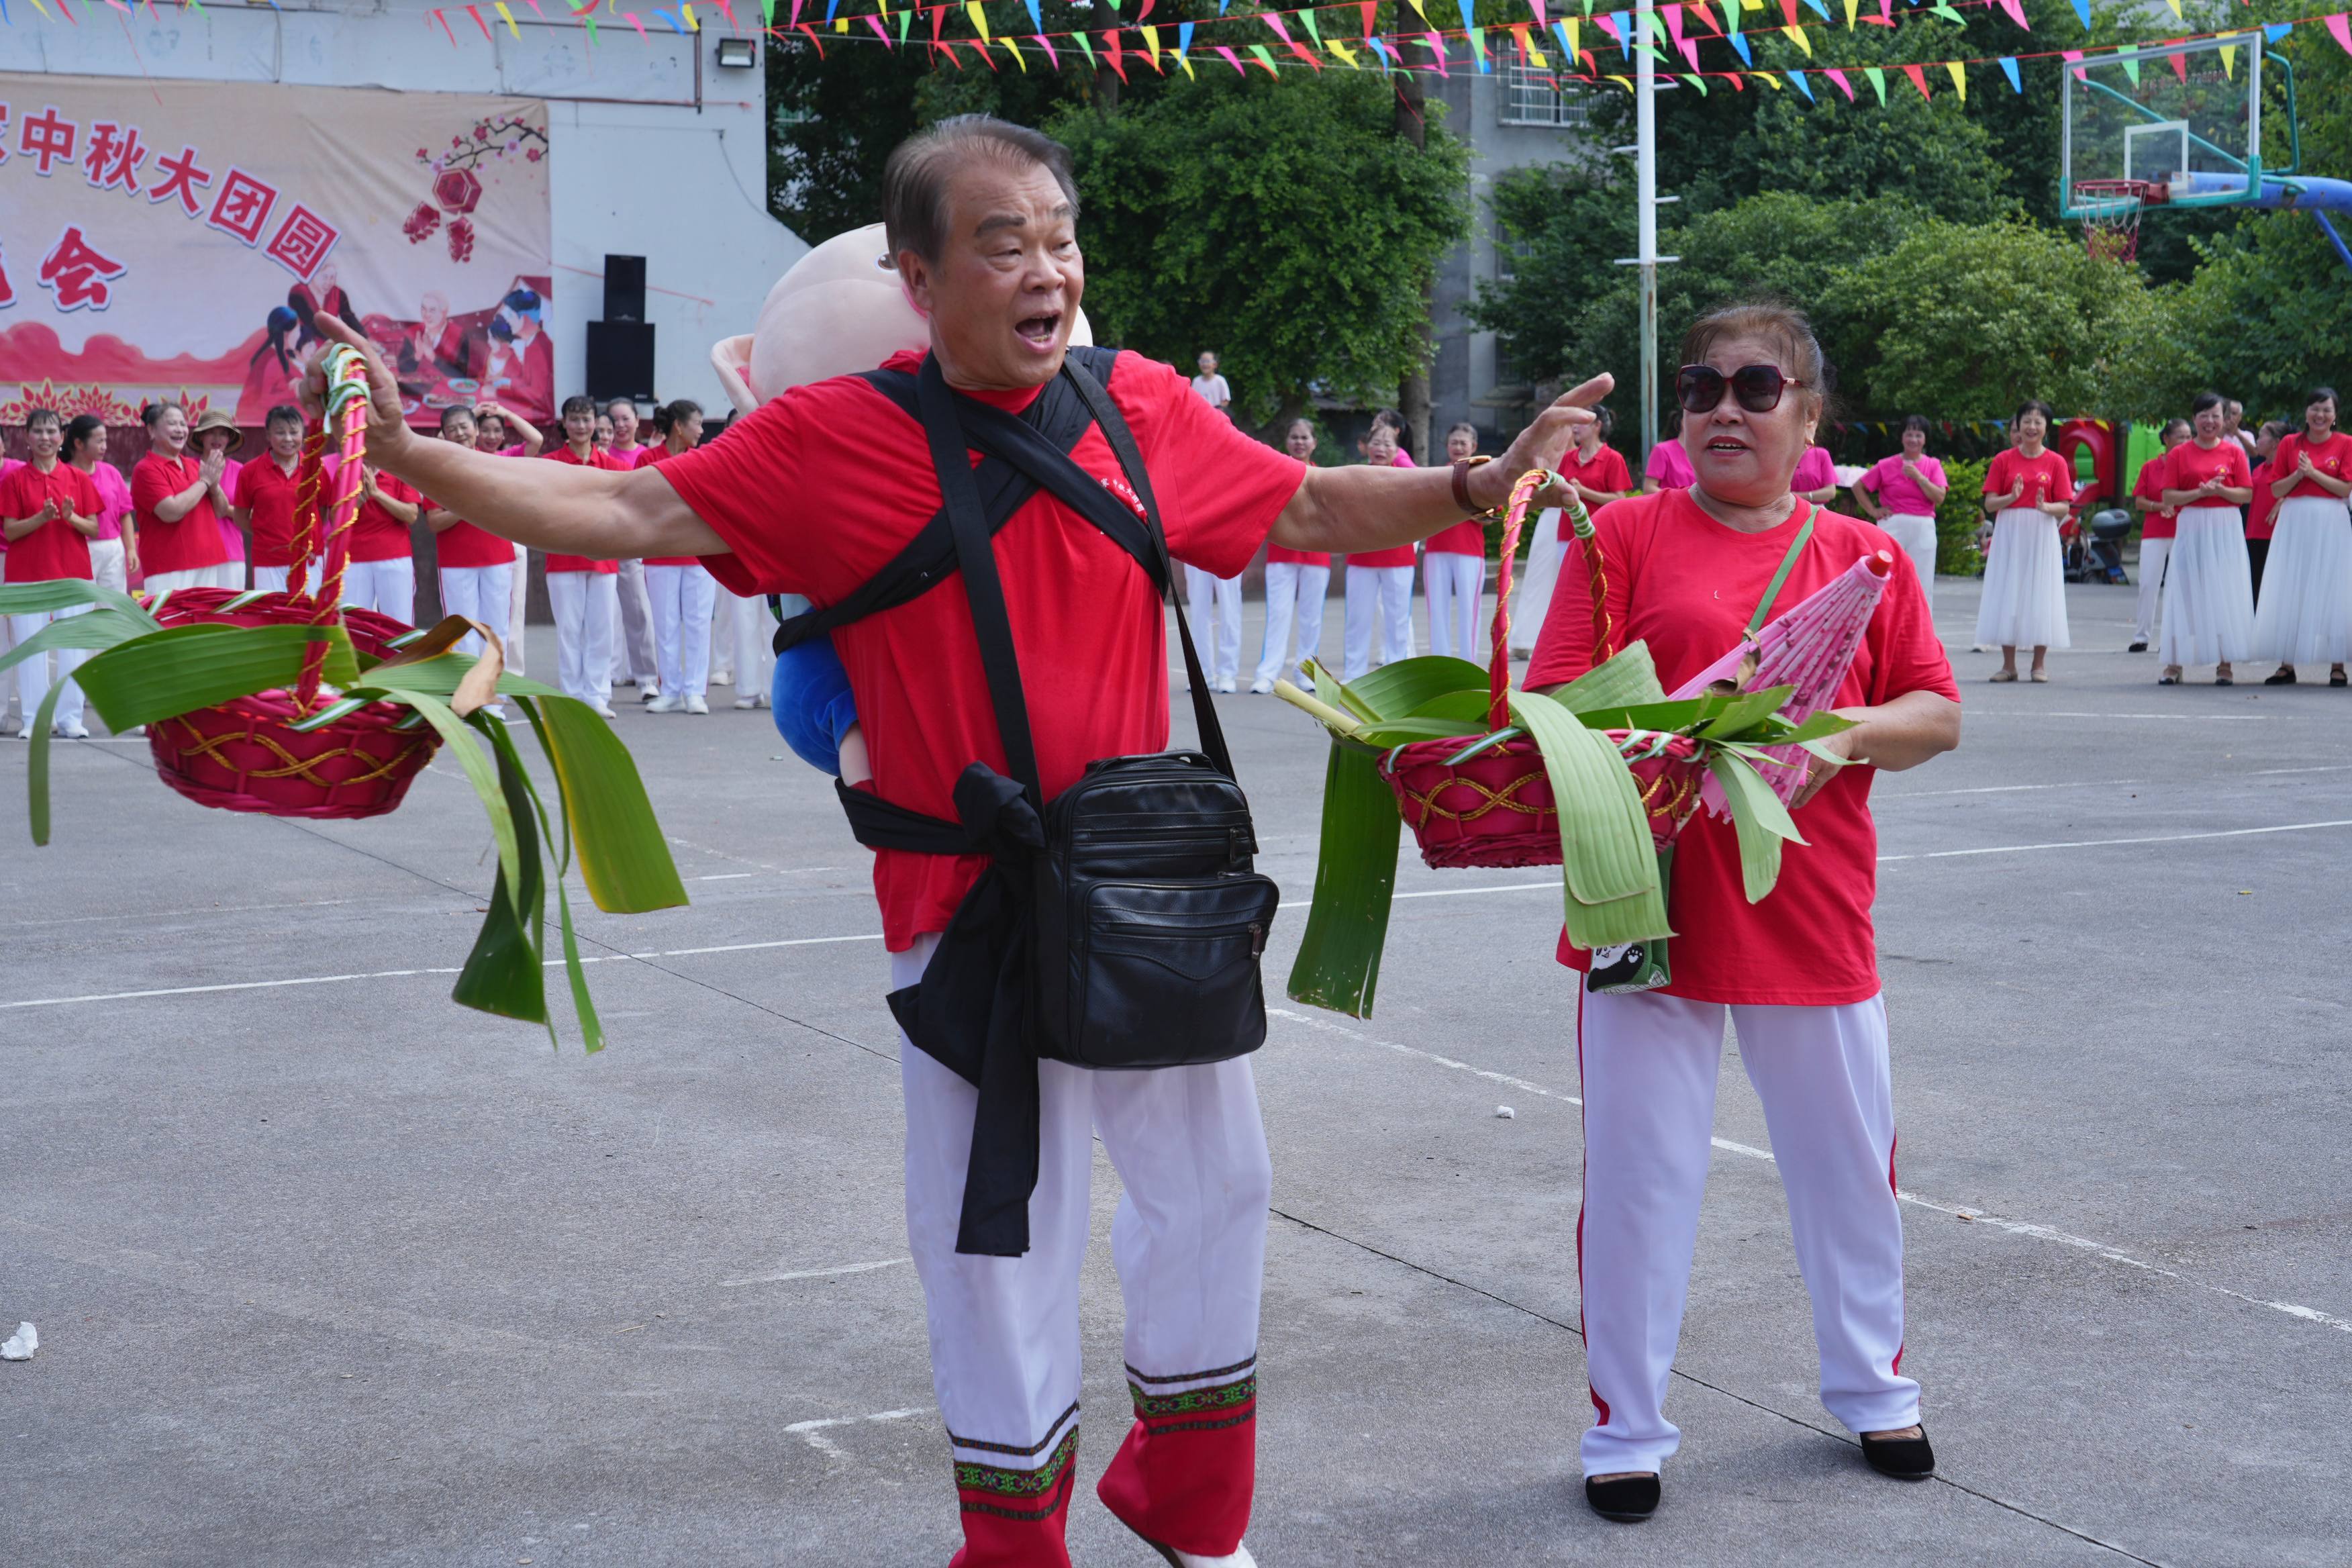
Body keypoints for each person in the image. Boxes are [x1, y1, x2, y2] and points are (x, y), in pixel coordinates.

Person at [305, 112, 1608, 1568]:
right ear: (919, 280)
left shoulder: (1144, 409)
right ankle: (1015, 1543)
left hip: (1146, 890)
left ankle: (1193, 1513)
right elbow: (624, 503)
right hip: (963, 898)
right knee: (1000, 1231)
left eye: (1057, 236)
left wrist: (1479, 486)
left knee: (1220, 1189)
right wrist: (411, 449)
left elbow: (1304, 498)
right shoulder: (832, 436)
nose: (1044, 264)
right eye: (1004, 242)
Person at [1526, 301, 1959, 1524]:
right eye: (1700, 387)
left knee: (1843, 1175)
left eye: (1755, 387)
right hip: (1639, 902)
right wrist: (1645, 739)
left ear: (1807, 417)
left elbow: (1934, 712)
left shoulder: (1860, 559)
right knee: (1636, 1179)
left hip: (1808, 907)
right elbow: (1552, 702)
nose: (1723, 406)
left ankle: (1874, 1392)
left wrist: (1842, 736)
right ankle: (1624, 1428)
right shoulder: (1617, 536)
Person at [1, 407, 103, 740]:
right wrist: (41, 518)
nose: (45, 438)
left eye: (51, 432)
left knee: (73, 648)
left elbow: (94, 527)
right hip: (26, 576)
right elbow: (11, 532)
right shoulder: (15, 480)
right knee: (32, 649)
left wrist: (70, 519)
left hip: (72, 573)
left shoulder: (78, 478)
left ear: (61, 437)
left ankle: (71, 718)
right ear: (27, 438)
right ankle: (34, 719)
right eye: (38, 432)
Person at [1507, 406, 1632, 658]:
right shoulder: (1569, 459)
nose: (1576, 428)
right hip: (1567, 535)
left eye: (1583, 423)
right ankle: (1567, 648)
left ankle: (1603, 645)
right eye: (1575, 424)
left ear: (1598, 426)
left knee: (1600, 592)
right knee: (1568, 593)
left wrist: (1583, 492)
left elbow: (1619, 499)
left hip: (1601, 535)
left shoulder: (1612, 459)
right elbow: (1555, 493)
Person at [2157, 391, 2257, 687]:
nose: (2210, 421)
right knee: (2184, 591)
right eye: (2204, 415)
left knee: (2225, 591)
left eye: (2216, 416)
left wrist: (2221, 491)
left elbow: (2247, 494)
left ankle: (2225, 664)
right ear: (2194, 418)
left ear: (2225, 420)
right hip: (2191, 523)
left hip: (2225, 526)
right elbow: (2169, 497)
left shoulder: (2234, 452)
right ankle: (2174, 662)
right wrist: (2199, 493)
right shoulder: (2179, 454)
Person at [2253, 389, 2352, 687]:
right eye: (2314, 409)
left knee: (2332, 586)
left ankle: (2337, 664)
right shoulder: (2289, 444)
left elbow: (2345, 489)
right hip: (2294, 521)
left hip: (2331, 520)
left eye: (2326, 410)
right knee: (2290, 584)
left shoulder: (2346, 443)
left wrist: (2312, 473)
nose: (2319, 415)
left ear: (2335, 416)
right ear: (2306, 412)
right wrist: (2299, 475)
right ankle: (2287, 663)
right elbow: (2276, 490)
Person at [1975, 401, 2074, 682]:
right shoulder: (2003, 460)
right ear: (2018, 425)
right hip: (2009, 531)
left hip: (2041, 531)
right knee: (2010, 591)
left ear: (2046, 428)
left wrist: (2045, 508)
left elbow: (2065, 506)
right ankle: (2009, 665)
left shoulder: (2056, 462)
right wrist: (2012, 498)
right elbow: (1991, 502)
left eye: (2038, 422)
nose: (2032, 427)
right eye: (2026, 421)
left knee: (2042, 592)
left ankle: (2038, 664)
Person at [540, 395, 625, 714]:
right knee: (569, 630)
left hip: (604, 557)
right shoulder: (550, 464)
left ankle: (597, 694)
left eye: (586, 419)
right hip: (562, 557)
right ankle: (573, 695)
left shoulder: (615, 467)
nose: (580, 426)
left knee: (602, 628)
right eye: (574, 420)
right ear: (564, 423)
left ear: (597, 424)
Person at [636, 399, 717, 714]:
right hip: (660, 554)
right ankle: (670, 689)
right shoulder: (647, 459)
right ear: (679, 426)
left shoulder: (704, 459)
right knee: (665, 624)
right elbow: (641, 505)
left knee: (698, 623)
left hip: (699, 556)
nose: (701, 430)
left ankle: (695, 691)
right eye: (697, 423)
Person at [422, 407, 518, 663]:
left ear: (476, 429)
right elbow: (435, 523)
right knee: (462, 631)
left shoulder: (494, 465)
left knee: (497, 627)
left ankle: (494, 695)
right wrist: (466, 507)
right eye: (453, 429)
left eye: (465, 427)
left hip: (497, 557)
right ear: (444, 434)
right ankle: (468, 693)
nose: (460, 433)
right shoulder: (434, 471)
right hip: (456, 563)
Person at [1248, 418, 1332, 693]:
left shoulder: (1325, 477)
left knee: (1311, 617)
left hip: (1317, 555)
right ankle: (1268, 673)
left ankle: (1306, 672)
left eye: (1305, 437)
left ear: (1314, 443)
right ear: (1287, 441)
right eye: (1295, 437)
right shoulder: (1277, 472)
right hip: (1282, 553)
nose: (1299, 442)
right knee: (1279, 615)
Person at [1342, 415, 1419, 681]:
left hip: (1399, 558)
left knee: (1397, 622)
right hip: (1361, 558)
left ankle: (1398, 677)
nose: (1381, 448)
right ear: (1366, 446)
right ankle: (1353, 677)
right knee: (1357, 620)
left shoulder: (1407, 479)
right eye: (1376, 442)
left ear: (1397, 450)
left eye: (1388, 443)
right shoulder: (1354, 475)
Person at [1851, 416, 1949, 625]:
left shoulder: (1932, 465)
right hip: (1892, 525)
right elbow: (1858, 487)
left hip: (1923, 525)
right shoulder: (1886, 465)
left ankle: (1921, 628)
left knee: (1922, 581)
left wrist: (1919, 477)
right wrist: (1873, 510)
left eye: (1918, 435)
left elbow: (1939, 497)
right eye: (1909, 434)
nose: (1913, 439)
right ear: (1902, 437)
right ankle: (1881, 623)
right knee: (1887, 577)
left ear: (1925, 439)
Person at [131, 401, 236, 592]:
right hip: (169, 565)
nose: (180, 429)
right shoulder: (146, 469)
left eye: (182, 424)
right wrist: (204, 482)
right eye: (172, 424)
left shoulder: (195, 466)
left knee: (204, 622)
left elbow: (221, 511)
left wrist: (213, 486)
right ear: (152, 431)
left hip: (208, 560)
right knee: (170, 622)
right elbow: (171, 512)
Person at [474, 401, 544, 678]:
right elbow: (445, 438)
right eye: (485, 430)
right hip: (477, 545)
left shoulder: (511, 457)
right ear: (476, 433)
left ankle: (509, 672)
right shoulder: (469, 456)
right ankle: (477, 667)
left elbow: (536, 440)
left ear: (503, 436)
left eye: (496, 431)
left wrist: (506, 414)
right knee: (478, 613)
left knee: (512, 611)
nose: (491, 436)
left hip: (511, 542)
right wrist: (475, 414)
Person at [603, 398, 663, 699]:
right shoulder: (601, 454)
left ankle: (647, 677)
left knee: (639, 610)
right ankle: (610, 673)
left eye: (626, 419)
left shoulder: (645, 456)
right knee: (606, 613)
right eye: (614, 421)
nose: (620, 426)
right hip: (602, 542)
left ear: (638, 421)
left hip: (634, 543)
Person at [1421, 422, 1490, 663]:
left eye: (1463, 443)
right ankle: (1440, 666)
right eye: (1454, 443)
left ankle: (1469, 665)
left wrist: (1464, 508)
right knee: (1437, 612)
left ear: (1474, 447)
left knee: (1468, 612)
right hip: (1436, 549)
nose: (1458, 447)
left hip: (1469, 551)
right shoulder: (1437, 475)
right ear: (1447, 446)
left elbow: (1492, 516)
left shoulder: (1483, 475)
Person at [2126, 418, 2191, 654]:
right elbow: (2140, 501)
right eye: (2180, 436)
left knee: (2177, 586)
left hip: (2181, 531)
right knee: (2148, 583)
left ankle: (2172, 636)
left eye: (2188, 437)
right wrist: (2159, 506)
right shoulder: (2150, 467)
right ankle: (2142, 636)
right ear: (2166, 439)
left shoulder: (2190, 466)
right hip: (2154, 531)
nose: (2185, 441)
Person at [234, 405, 308, 593]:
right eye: (280, 433)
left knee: (307, 617)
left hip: (309, 560)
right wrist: (266, 531)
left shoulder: (315, 468)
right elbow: (241, 516)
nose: (288, 439)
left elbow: (323, 511)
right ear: (268, 435)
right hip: (267, 561)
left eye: (294, 432)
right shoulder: (250, 471)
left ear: (303, 433)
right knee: (272, 617)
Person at [63, 415, 134, 595]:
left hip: (112, 547)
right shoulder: (63, 475)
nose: (105, 446)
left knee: (113, 605)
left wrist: (131, 549)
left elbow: (124, 513)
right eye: (99, 441)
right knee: (81, 605)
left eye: (105, 440)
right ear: (79, 443)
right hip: (78, 548)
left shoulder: (111, 472)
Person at [345, 460, 423, 621]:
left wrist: (377, 494)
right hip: (355, 559)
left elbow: (411, 515)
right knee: (356, 625)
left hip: (395, 556)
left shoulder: (399, 469)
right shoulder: (346, 472)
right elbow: (336, 520)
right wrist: (360, 499)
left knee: (400, 624)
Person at [190, 409, 248, 585]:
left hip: (231, 551)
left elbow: (251, 514)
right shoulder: (188, 467)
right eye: (211, 432)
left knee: (231, 609)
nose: (217, 439)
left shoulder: (241, 471)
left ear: (229, 438)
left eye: (223, 434)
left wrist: (224, 507)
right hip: (196, 551)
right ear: (201, 437)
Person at [236, 306, 306, 426]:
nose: (300, 335)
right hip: (257, 424)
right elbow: (264, 399)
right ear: (286, 333)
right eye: (298, 330)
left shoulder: (280, 356)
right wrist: (294, 390)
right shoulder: (272, 360)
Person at [2243, 420, 2285, 604]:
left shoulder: (2287, 470)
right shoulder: (2258, 469)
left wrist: (2282, 501)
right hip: (2253, 533)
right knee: (2254, 586)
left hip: (2275, 534)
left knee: (2273, 588)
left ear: (2275, 443)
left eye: (2261, 437)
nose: (2257, 441)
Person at [1642, 410, 1696, 493]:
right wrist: (1677, 499)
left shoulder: (1706, 453)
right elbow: (1649, 488)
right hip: (1671, 504)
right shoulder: (1662, 450)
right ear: (1683, 422)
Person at [1792, 440, 1839, 507]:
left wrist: (1798, 496)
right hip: (1788, 509)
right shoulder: (1782, 456)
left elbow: (1831, 492)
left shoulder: (1821, 454)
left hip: (1816, 509)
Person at [1190, 351, 1231, 415]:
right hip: (1200, 415)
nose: (1205, 364)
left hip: (1216, 416)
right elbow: (1192, 399)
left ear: (1215, 365)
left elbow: (1225, 400)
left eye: (1208, 361)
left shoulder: (1220, 381)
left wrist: (1218, 412)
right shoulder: (1196, 381)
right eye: (1202, 361)